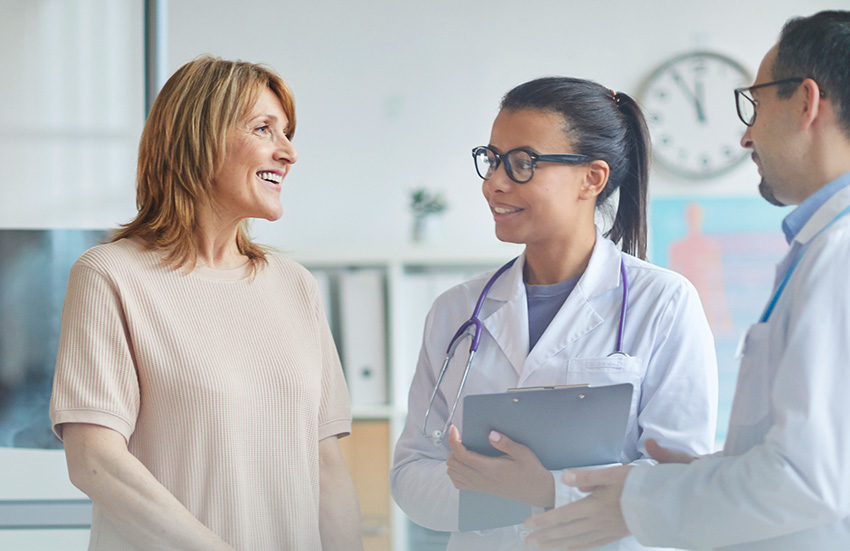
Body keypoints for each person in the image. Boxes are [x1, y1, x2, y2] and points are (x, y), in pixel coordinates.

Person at [523, 10, 850, 551]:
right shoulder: (821, 247)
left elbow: (808, 478)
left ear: (807, 102)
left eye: (756, 103)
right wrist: (687, 482)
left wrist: (639, 501)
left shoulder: (838, 255)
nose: (746, 135)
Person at [390, 76, 718, 550]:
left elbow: (678, 475)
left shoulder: (663, 303)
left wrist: (545, 491)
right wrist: (498, 493)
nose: (494, 183)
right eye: (492, 159)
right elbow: (411, 471)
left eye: (523, 163)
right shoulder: (455, 312)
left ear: (593, 178)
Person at [49, 56, 363, 551]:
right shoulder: (111, 275)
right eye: (265, 129)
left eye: (287, 132)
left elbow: (325, 466)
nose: (289, 153)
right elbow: (95, 461)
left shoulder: (295, 285)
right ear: (198, 138)